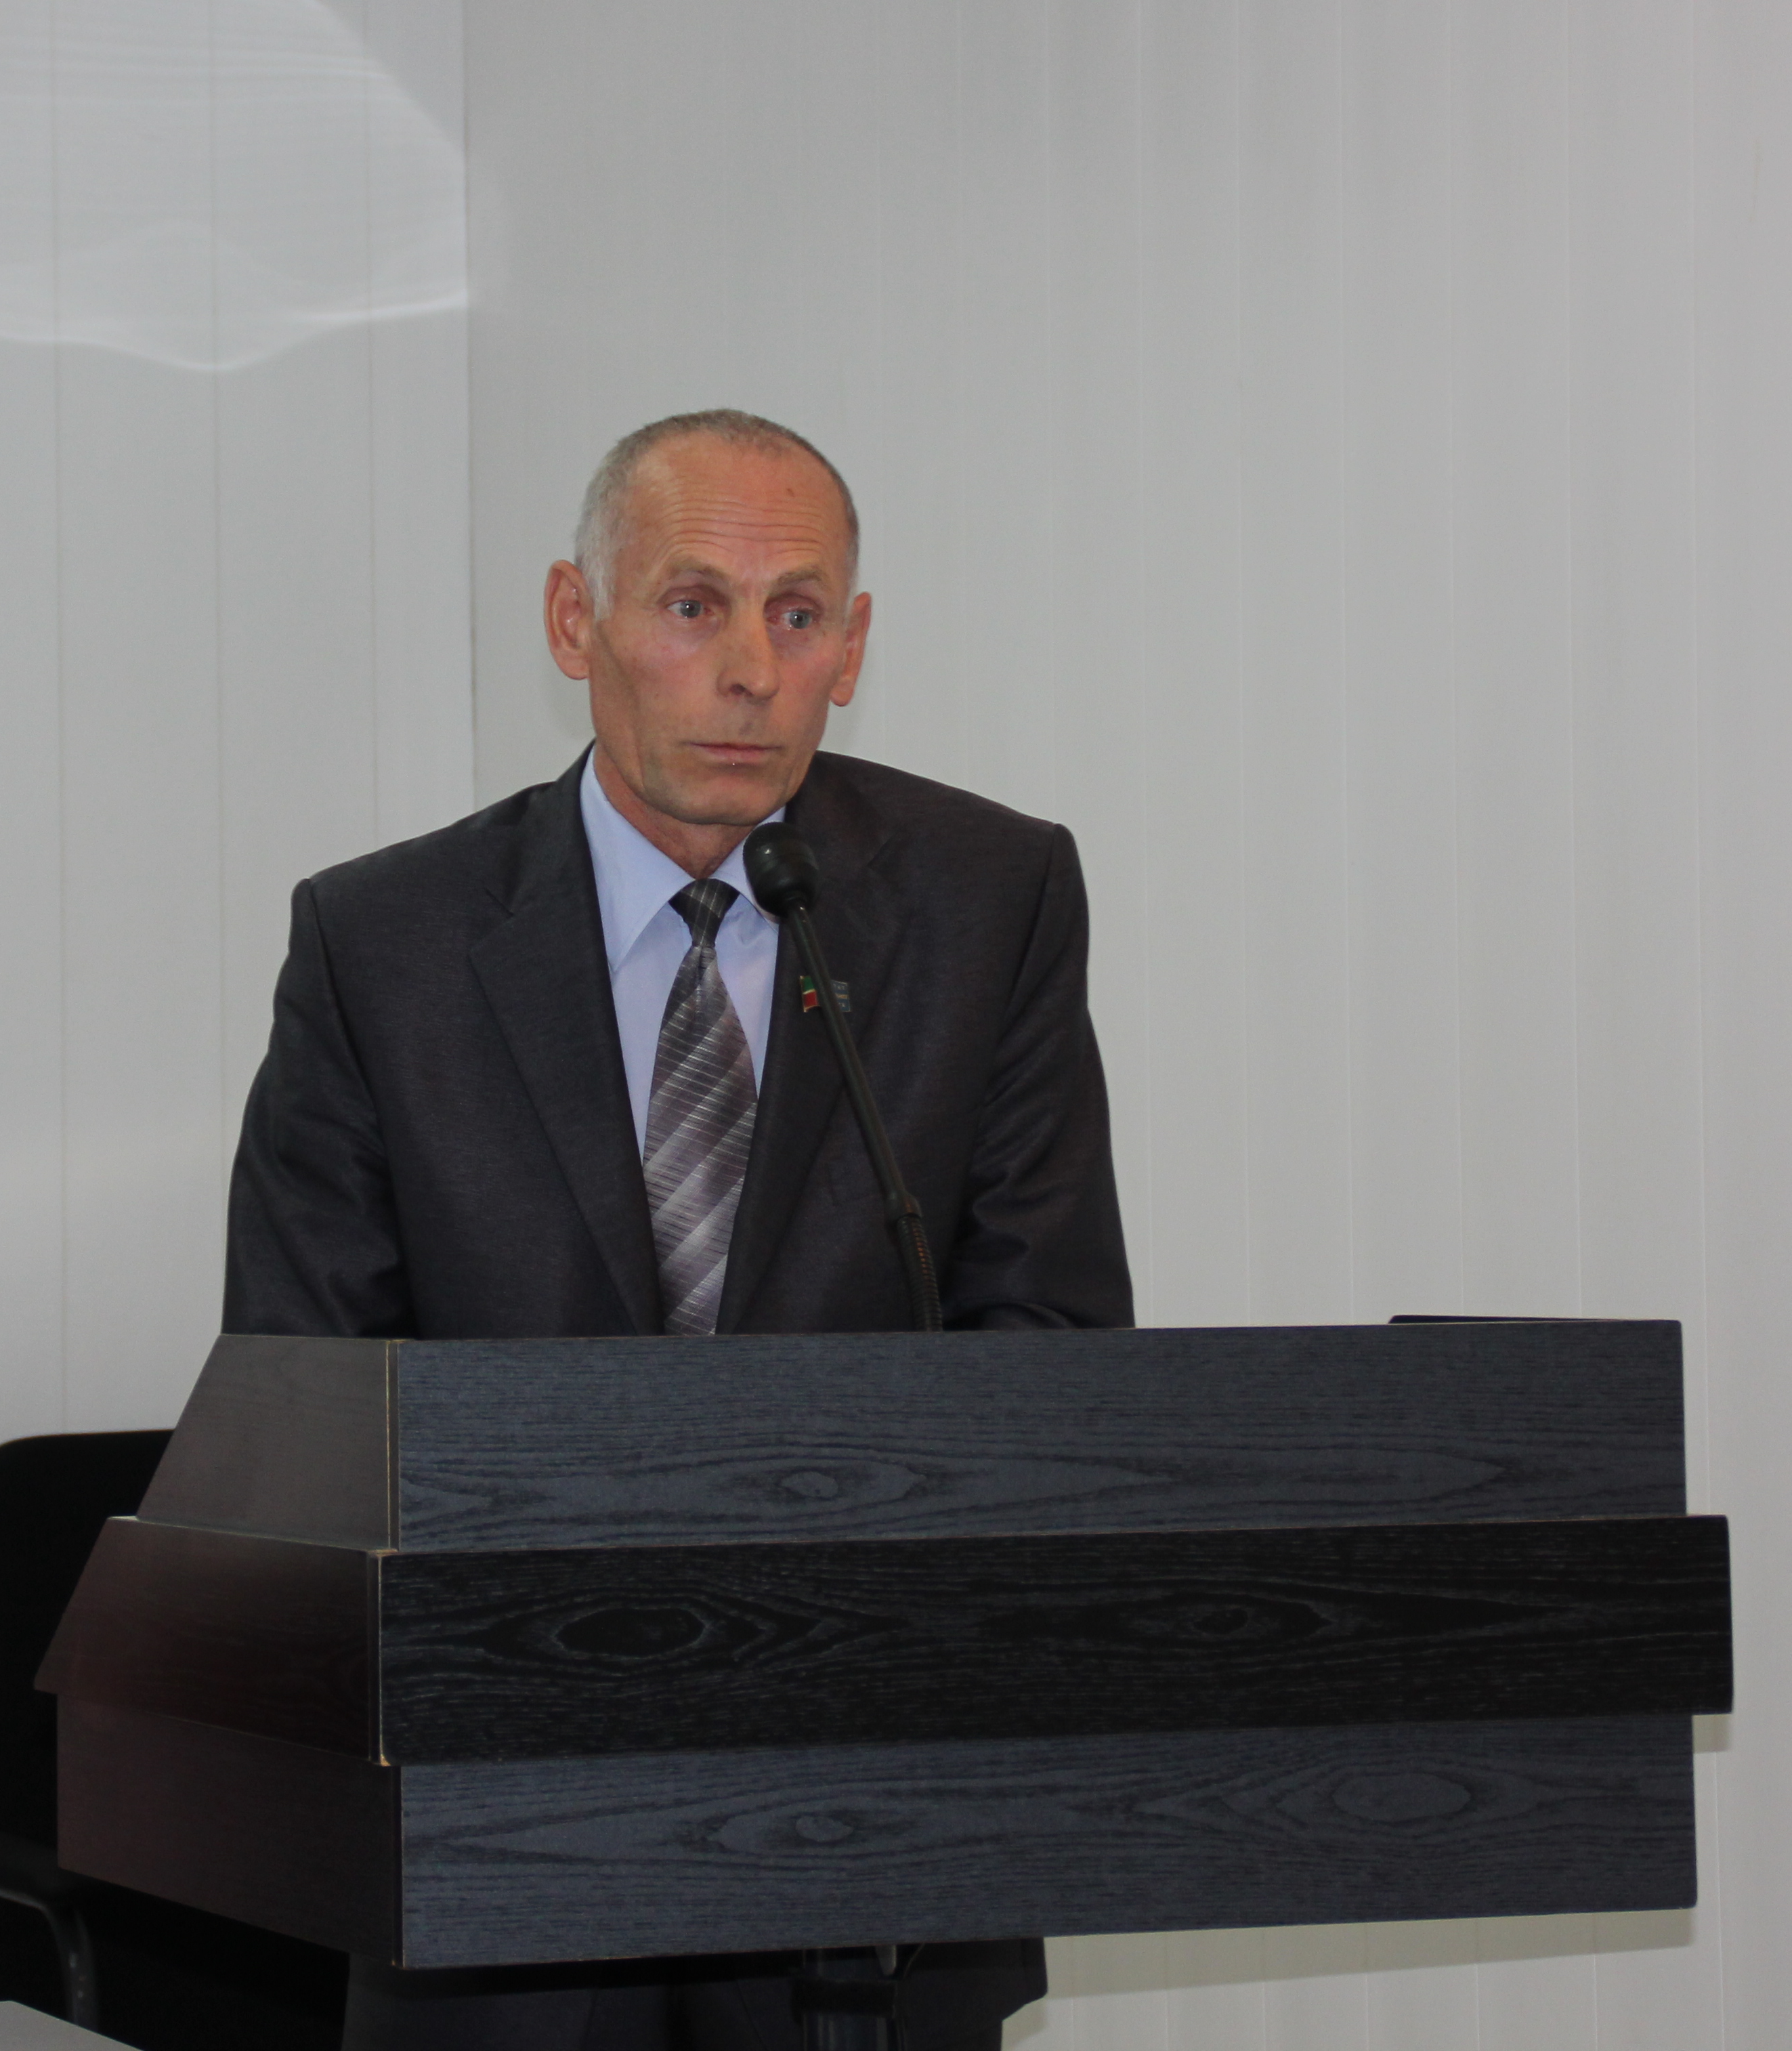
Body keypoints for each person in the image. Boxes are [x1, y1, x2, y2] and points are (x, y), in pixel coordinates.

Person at [227, 410, 1133, 2048]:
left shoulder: (989, 900)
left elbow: (1051, 1349)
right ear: (574, 618)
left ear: (853, 645)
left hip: (874, 1844)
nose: (749, 671)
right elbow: (306, 1408)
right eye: (693, 605)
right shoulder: (383, 943)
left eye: (797, 614)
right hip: (496, 1858)